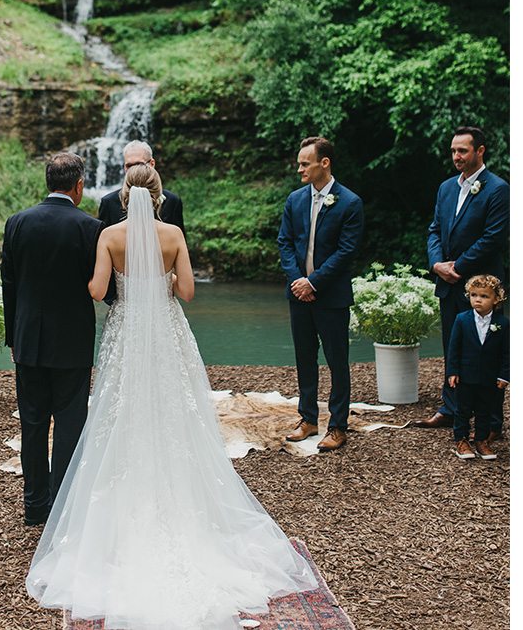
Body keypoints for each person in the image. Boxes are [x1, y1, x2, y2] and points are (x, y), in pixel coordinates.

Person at [27, 164, 317, 628]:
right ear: (159, 197)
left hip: (127, 333)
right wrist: (158, 282)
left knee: (120, 415)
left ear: (123, 197)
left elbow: (98, 290)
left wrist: (114, 284)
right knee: (174, 415)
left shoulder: (108, 236)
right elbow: (187, 292)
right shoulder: (174, 235)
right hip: (165, 331)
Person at [2, 152, 105, 527]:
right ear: (78, 186)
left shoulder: (17, 223)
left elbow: (8, 285)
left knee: (32, 424)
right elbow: (102, 286)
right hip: (72, 343)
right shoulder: (90, 228)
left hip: (28, 341)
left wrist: (13, 336)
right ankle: (62, 507)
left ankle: (35, 506)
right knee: (68, 424)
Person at [415, 126, 509, 440]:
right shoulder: (445, 188)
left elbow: (493, 237)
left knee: (488, 351)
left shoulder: (497, 189)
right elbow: (434, 230)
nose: (456, 156)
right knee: (453, 347)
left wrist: (459, 265)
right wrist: (437, 263)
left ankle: (492, 422)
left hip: (482, 284)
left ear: (480, 151)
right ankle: (451, 408)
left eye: (463, 151)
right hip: (449, 282)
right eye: (454, 150)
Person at [278, 137, 364, 452]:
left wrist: (313, 282)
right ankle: (308, 419)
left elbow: (346, 252)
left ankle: (338, 426)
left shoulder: (350, 203)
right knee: (304, 358)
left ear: (323, 163)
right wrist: (298, 280)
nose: (299, 168)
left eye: (305, 163)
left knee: (337, 361)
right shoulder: (295, 199)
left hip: (331, 296)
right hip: (298, 294)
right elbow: (285, 242)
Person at [446, 274, 510, 461]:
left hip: (489, 377)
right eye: (474, 295)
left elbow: (507, 352)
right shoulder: (461, 319)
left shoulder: (503, 323)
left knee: (485, 409)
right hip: (465, 375)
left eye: (484, 296)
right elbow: (453, 348)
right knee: (463, 409)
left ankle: (481, 440)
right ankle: (461, 440)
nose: (478, 300)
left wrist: (504, 376)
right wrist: (452, 371)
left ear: (496, 299)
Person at [97, 140, 184, 233]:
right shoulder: (108, 202)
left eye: (139, 164)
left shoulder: (172, 201)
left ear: (152, 164)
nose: (134, 170)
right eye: (129, 166)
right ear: (124, 167)